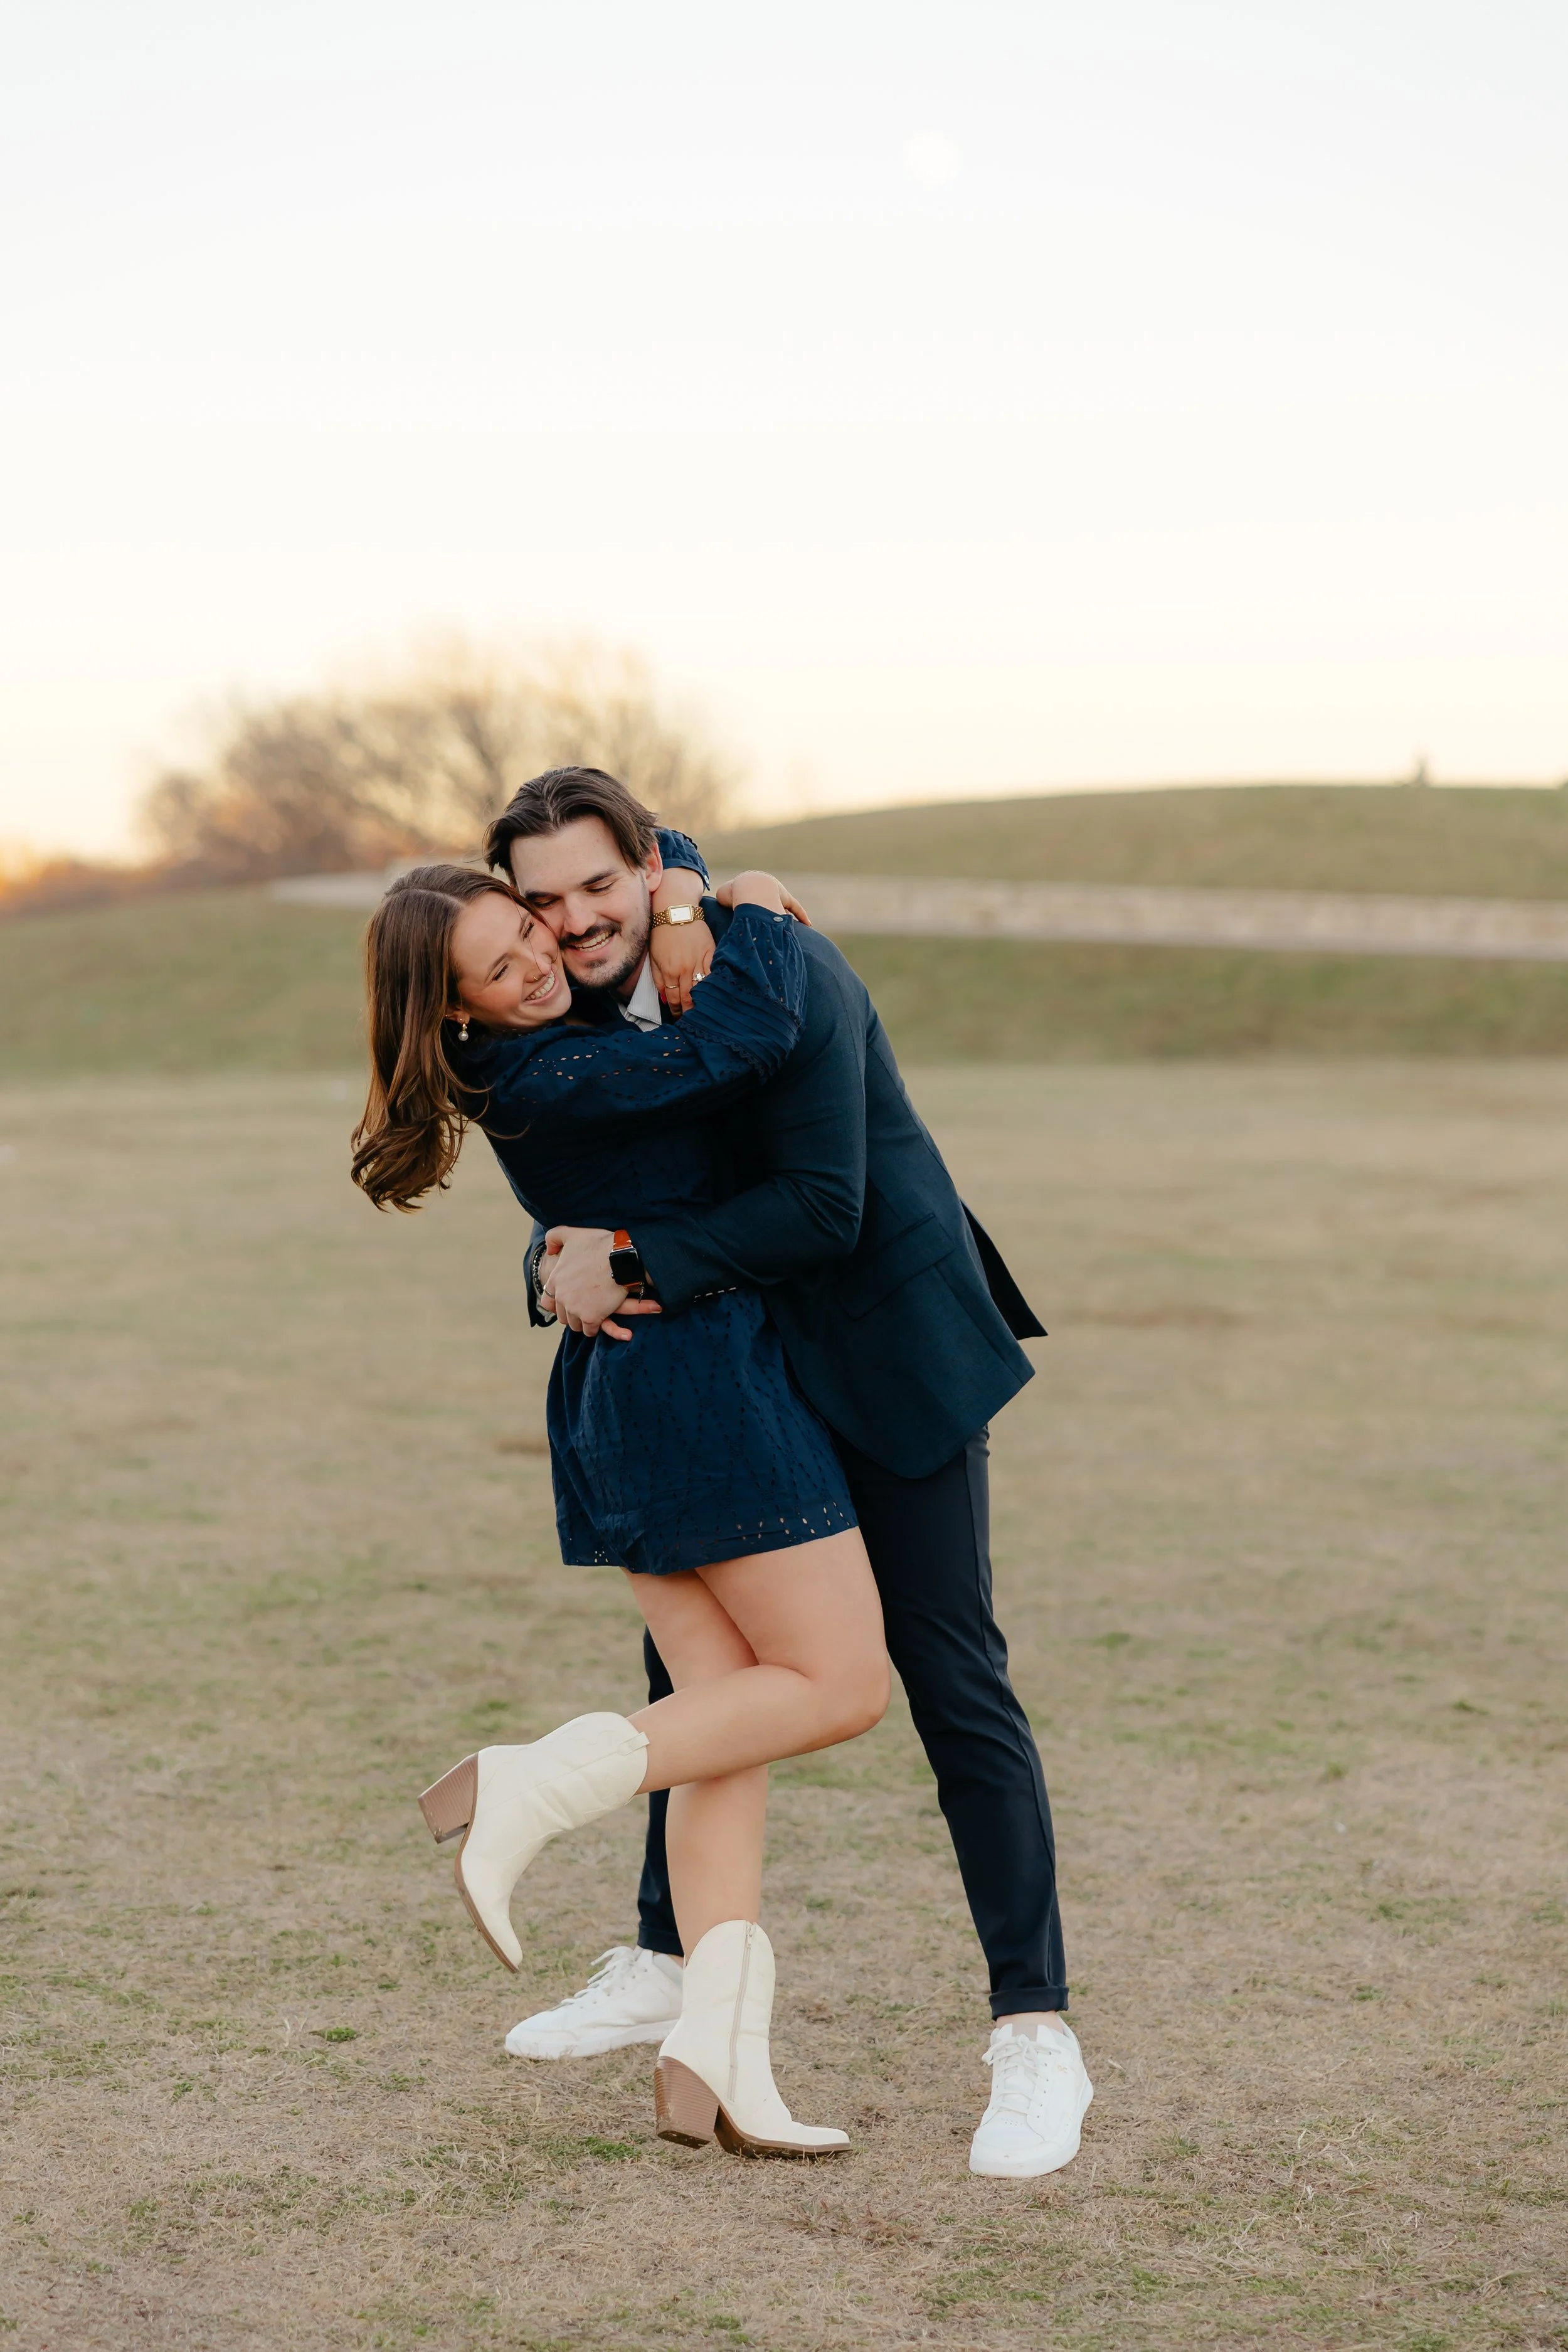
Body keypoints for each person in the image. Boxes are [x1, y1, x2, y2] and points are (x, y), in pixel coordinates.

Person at [487, 767, 1093, 2181]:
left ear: (648, 866)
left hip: (882, 1350)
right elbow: (607, 1180)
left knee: (951, 1676)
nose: (574, 920)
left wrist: (625, 1258)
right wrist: (557, 1265)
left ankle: (1035, 2031)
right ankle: (663, 1962)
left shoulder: (776, 960)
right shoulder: (579, 1012)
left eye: (601, 884)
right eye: (543, 899)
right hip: (731, 1377)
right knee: (696, 1673)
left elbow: (824, 1204)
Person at [352, 861, 892, 2158]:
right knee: (843, 1685)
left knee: (721, 1735)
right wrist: (750, 906)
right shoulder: (554, 1071)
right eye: (498, 966)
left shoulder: (544, 1056)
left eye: (527, 930)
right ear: (457, 1009)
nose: (539, 960)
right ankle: (528, 1781)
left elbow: (642, 920)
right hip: (699, 1390)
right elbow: (743, 1040)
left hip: (633, 1388)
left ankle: (720, 2055)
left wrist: (686, 883)